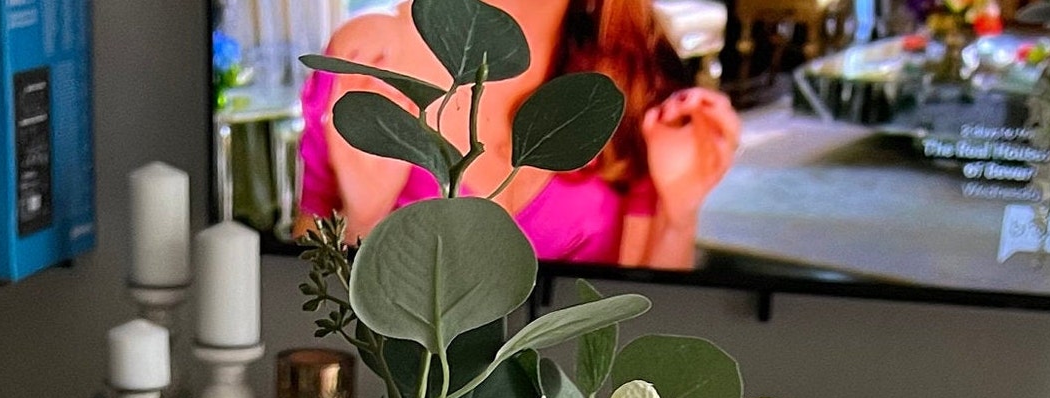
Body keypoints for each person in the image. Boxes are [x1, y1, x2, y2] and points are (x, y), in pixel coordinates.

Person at [297, 0, 740, 268]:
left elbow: (642, 337)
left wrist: (678, 214)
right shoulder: (371, 57)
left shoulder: (638, 75)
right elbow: (305, 304)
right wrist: (365, 217)